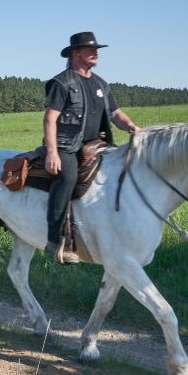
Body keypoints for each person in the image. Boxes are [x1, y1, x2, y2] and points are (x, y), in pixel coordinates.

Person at [43, 31, 140, 265]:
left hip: (96, 144)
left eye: (96, 49)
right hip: (67, 146)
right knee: (67, 176)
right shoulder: (61, 82)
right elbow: (50, 118)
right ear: (76, 53)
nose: (95, 53)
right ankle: (55, 241)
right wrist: (52, 152)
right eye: (90, 49)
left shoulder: (101, 85)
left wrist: (131, 127)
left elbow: (115, 114)